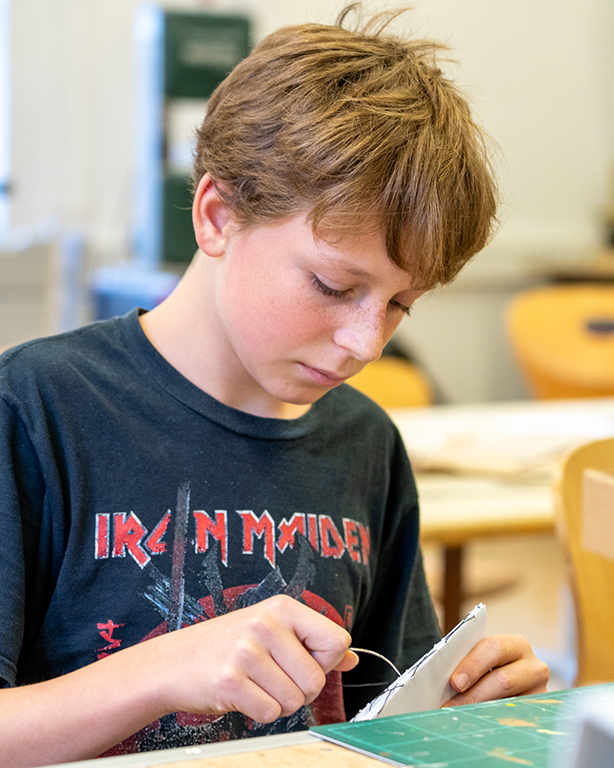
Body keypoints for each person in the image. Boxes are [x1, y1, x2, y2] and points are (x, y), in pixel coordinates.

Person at [0, 5, 549, 766]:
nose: (366, 344)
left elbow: (372, 723)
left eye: (401, 304)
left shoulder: (365, 444)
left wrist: (451, 716)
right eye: (332, 286)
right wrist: (162, 670)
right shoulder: (36, 409)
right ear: (218, 216)